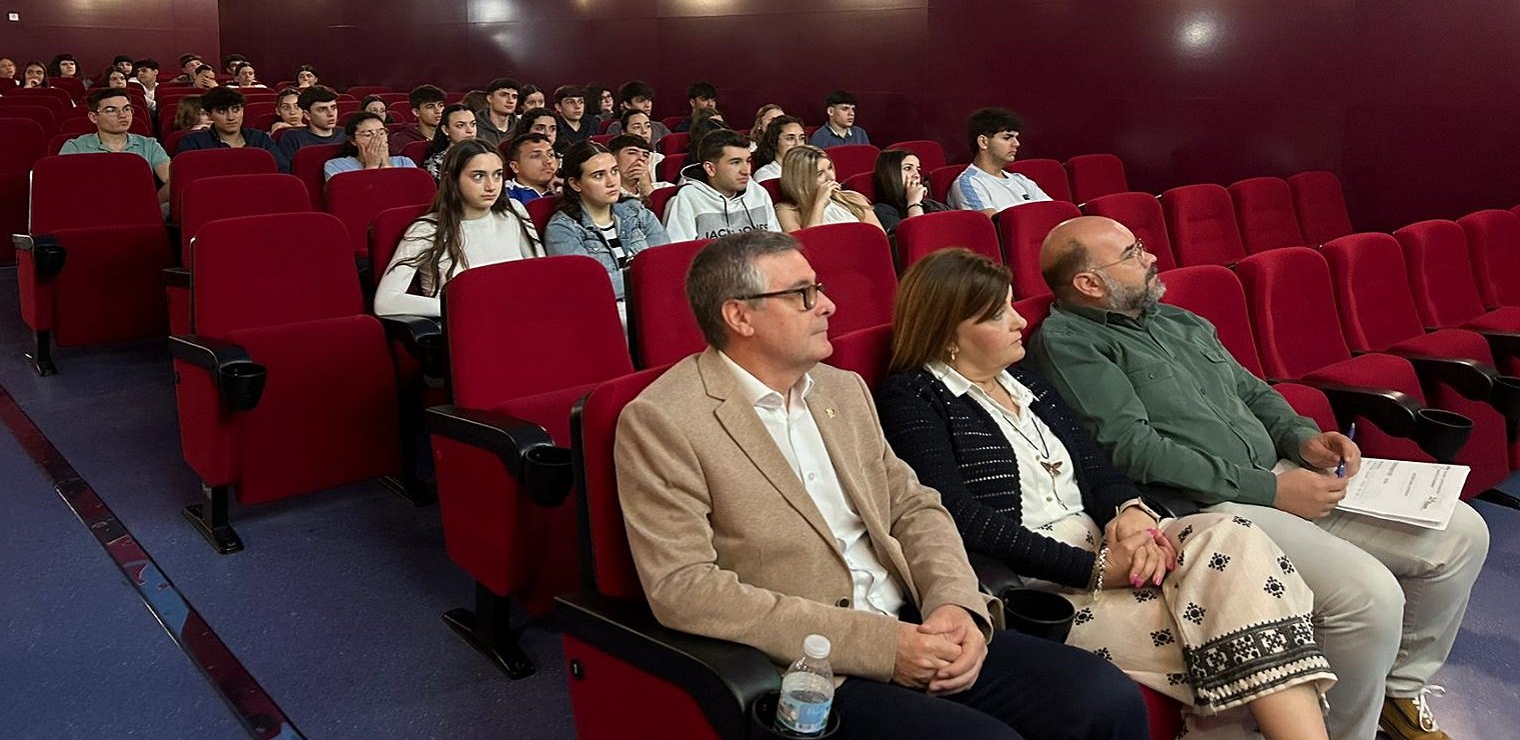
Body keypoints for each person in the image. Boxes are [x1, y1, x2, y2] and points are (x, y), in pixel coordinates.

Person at [614, 230, 1149, 740]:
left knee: (1106, 701)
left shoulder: (841, 390)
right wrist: (883, 646)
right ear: (739, 316)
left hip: (918, 619)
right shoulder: (665, 420)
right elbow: (685, 589)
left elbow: (914, 508)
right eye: (803, 295)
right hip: (815, 664)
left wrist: (954, 606)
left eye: (819, 289)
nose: (828, 306)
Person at [1028, 215, 1491, 740]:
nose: (1150, 256)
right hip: (1211, 505)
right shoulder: (1070, 342)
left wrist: (1302, 438)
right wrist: (1273, 490)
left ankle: (1398, 692)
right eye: (1132, 253)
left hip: (1281, 473)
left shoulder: (1177, 320)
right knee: (1368, 598)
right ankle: (1343, 731)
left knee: (1463, 531)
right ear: (1089, 284)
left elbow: (1254, 392)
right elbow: (1134, 451)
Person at [878, 249, 1335, 739]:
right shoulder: (913, 397)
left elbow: (1097, 468)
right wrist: (1096, 570)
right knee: (1238, 624)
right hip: (1042, 580)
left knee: (1232, 536)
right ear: (949, 334)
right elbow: (960, 517)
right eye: (997, 314)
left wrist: (1131, 512)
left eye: (1012, 304)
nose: (1019, 320)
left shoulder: (1026, 381)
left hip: (1114, 549)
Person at [374, 139, 540, 317]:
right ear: (451, 178)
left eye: (498, 175)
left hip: (520, 317)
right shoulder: (427, 229)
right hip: (466, 328)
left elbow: (539, 276)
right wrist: (463, 307)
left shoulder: (514, 211)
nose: (491, 186)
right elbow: (386, 301)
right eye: (478, 176)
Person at [543, 141, 669, 302]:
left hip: (656, 301)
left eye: (614, 171)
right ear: (575, 184)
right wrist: (648, 275)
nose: (612, 182)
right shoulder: (562, 229)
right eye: (598, 175)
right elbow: (590, 286)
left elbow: (665, 263)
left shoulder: (636, 210)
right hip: (607, 312)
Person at [59, 87, 171, 214]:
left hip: (141, 213)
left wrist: (151, 204)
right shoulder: (75, 147)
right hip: (90, 212)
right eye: (111, 110)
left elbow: (173, 180)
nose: (122, 115)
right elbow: (63, 189)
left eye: (127, 109)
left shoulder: (149, 145)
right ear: (93, 117)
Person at [662, 130, 779, 242]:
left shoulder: (758, 192)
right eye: (735, 162)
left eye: (747, 161)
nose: (746, 171)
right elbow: (680, 254)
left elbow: (776, 244)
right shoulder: (686, 199)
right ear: (710, 169)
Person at [947, 108, 1050, 215]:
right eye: (1007, 137)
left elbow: (1053, 214)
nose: (1016, 143)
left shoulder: (1022, 180)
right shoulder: (968, 183)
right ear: (983, 142)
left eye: (1016, 137)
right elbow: (992, 226)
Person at [774, 145, 882, 231]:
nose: (830, 177)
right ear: (801, 180)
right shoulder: (786, 211)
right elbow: (808, 246)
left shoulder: (853, 198)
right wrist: (820, 203)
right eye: (819, 173)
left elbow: (880, 237)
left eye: (830, 168)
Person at [178, 86, 281, 157]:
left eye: (236, 110)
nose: (231, 117)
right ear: (209, 115)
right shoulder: (194, 143)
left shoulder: (260, 139)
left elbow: (280, 171)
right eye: (222, 111)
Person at [870, 149, 956, 233]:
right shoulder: (882, 210)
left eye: (918, 169)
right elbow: (919, 238)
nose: (917, 175)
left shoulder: (930, 204)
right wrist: (914, 203)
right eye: (908, 168)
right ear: (890, 174)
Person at [322, 112, 418, 181]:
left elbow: (408, 194)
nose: (377, 139)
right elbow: (349, 199)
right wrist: (372, 167)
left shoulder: (404, 162)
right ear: (353, 140)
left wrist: (386, 165)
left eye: (381, 133)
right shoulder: (336, 166)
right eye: (368, 135)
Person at [274, 86, 344, 173]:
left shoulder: (345, 134)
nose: (331, 114)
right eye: (322, 109)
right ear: (307, 115)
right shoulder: (292, 138)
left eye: (333, 107)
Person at [603, 80, 671, 142]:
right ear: (627, 104)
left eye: (649, 100)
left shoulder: (659, 126)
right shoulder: (617, 127)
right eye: (641, 101)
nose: (647, 105)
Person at [608, 134, 670, 202]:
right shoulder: (606, 195)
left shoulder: (665, 188)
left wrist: (647, 189)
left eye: (645, 155)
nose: (642, 158)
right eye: (632, 153)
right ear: (612, 158)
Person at [422, 102, 478, 176]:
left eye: (473, 124)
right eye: (460, 125)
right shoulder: (438, 163)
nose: (470, 130)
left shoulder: (485, 154)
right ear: (445, 130)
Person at [503, 132, 557, 205]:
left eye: (551, 155)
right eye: (536, 156)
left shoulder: (564, 189)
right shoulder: (504, 195)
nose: (548, 161)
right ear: (515, 166)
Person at [751, 114, 807, 182]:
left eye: (802, 138)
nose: (798, 144)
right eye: (790, 138)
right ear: (774, 141)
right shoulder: (765, 176)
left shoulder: (810, 169)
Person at [391, 85, 446, 153]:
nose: (438, 111)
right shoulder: (400, 140)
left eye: (441, 106)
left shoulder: (450, 135)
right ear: (416, 112)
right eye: (430, 107)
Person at [617, 108, 666, 181]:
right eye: (637, 127)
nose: (644, 131)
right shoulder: (618, 160)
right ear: (624, 132)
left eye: (648, 126)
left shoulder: (659, 159)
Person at [475, 77, 521, 146]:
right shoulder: (474, 125)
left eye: (514, 97)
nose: (510, 101)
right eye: (504, 95)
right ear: (490, 99)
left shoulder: (521, 126)